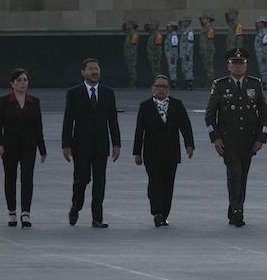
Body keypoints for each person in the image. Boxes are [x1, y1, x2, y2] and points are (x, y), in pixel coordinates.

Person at [205, 48, 267, 227]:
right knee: (234, 173)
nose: (238, 67)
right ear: (228, 66)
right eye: (235, 63)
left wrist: (260, 138)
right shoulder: (220, 85)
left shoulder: (255, 84)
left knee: (243, 175)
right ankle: (237, 209)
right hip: (228, 140)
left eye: (241, 64)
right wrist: (215, 137)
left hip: (248, 139)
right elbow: (210, 115)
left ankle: (236, 206)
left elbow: (263, 113)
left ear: (246, 66)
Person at [62, 58, 121, 228]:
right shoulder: (74, 93)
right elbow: (68, 120)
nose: (95, 72)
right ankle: (76, 206)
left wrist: (116, 144)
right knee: (82, 179)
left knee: (100, 181)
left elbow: (113, 121)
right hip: (80, 145)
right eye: (91, 69)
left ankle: (97, 217)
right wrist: (65, 144)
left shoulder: (108, 93)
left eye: (97, 69)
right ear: (83, 72)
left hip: (101, 145)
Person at [133, 75, 194, 227]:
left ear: (168, 89)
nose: (161, 89)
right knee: (155, 182)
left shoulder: (177, 104)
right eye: (158, 86)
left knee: (168, 184)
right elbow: (139, 130)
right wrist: (137, 153)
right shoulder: (145, 106)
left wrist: (189, 145)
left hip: (171, 152)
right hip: (151, 152)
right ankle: (157, 212)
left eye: (164, 86)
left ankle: (164, 213)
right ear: (153, 88)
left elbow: (185, 126)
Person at [0, 68, 47, 228]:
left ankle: (26, 213)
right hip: (9, 146)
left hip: (29, 146)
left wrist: (42, 149)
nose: (23, 83)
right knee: (10, 178)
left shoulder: (34, 102)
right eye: (19, 80)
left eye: (25, 80)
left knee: (27, 177)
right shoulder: (4, 101)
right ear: (12, 83)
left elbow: (38, 126)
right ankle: (11, 212)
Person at [198, 14, 216, 88]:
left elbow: (210, 40)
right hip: (204, 50)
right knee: (206, 66)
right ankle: (208, 81)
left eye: (203, 19)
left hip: (208, 50)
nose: (202, 20)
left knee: (209, 66)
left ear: (208, 19)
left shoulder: (209, 28)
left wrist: (208, 50)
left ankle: (210, 81)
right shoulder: (205, 28)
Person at [254, 16, 267, 89]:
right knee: (262, 68)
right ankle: (263, 82)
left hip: (263, 54)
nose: (257, 24)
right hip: (259, 53)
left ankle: (265, 83)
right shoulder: (260, 32)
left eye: (259, 23)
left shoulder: (265, 33)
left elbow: (265, 45)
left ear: (263, 24)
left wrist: (264, 55)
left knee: (263, 69)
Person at [179, 15, 195, 90]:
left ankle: (189, 83)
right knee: (184, 68)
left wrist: (188, 53)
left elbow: (190, 43)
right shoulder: (184, 30)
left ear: (188, 22)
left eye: (184, 21)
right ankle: (186, 81)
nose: (183, 23)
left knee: (188, 67)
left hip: (187, 53)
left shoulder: (190, 31)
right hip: (183, 52)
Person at [122, 19, 139, 88]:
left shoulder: (134, 34)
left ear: (132, 26)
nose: (126, 26)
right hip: (127, 54)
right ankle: (131, 82)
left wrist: (131, 55)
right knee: (129, 69)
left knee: (132, 69)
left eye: (128, 24)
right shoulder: (128, 33)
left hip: (131, 55)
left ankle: (133, 83)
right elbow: (123, 29)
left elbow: (134, 46)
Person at [164, 21, 180, 88]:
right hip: (169, 55)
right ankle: (172, 81)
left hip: (172, 55)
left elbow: (174, 47)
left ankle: (173, 82)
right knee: (171, 68)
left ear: (173, 28)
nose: (167, 28)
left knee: (172, 68)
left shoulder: (173, 36)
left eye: (169, 27)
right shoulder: (169, 35)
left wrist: (173, 55)